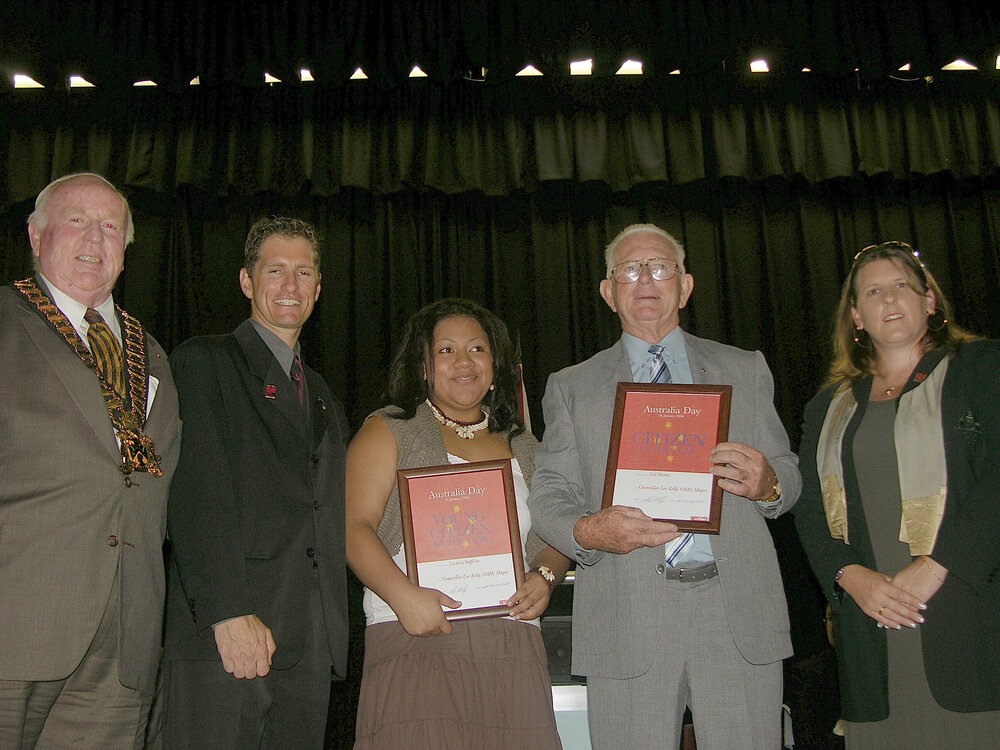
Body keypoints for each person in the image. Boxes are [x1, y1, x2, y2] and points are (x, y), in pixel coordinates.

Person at [527, 223, 801, 750]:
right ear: (608, 292)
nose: (645, 279)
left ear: (685, 285)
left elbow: (787, 470)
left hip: (736, 612)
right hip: (626, 616)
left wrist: (768, 484)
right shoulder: (571, 386)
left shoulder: (744, 369)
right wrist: (589, 529)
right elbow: (549, 495)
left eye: (659, 267)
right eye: (629, 269)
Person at [793, 241, 1000, 747]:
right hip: (871, 630)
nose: (889, 300)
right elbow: (810, 507)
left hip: (969, 617)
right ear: (857, 317)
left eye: (901, 286)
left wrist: (936, 564)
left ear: (929, 301)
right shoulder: (827, 408)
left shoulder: (982, 366)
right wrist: (849, 577)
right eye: (873, 292)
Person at [0, 173, 181, 748]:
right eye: (76, 220)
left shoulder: (149, 351)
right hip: (17, 624)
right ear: (35, 236)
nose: (94, 238)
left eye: (110, 227)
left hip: (125, 638)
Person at [346, 298, 570, 749]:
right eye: (446, 351)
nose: (463, 362)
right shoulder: (389, 430)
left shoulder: (524, 443)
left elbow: (556, 532)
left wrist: (546, 577)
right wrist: (404, 597)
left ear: (495, 362)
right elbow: (353, 530)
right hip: (415, 634)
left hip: (511, 644)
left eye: (477, 349)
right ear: (424, 366)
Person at [163, 217, 349, 748]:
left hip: (309, 645)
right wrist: (228, 612)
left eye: (304, 272)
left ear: (319, 288)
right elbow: (196, 495)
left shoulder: (321, 396)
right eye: (275, 271)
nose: (290, 286)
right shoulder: (203, 363)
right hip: (226, 638)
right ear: (247, 281)